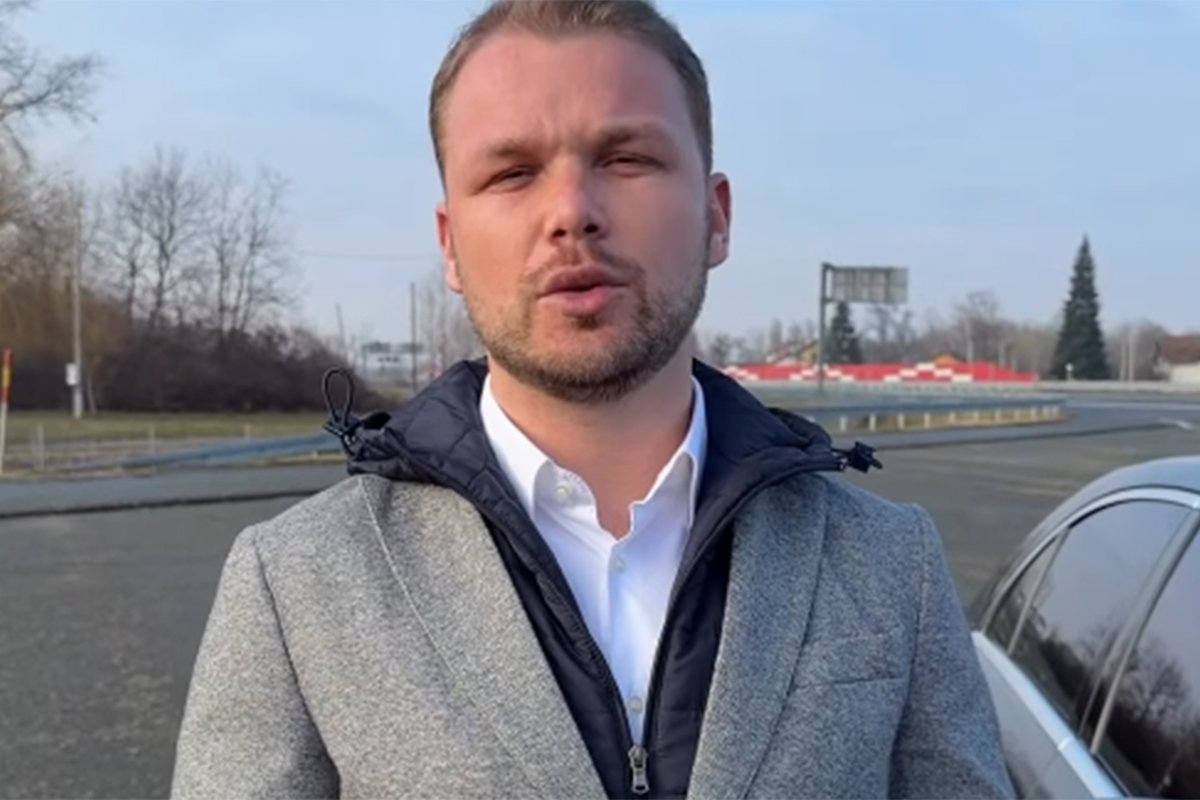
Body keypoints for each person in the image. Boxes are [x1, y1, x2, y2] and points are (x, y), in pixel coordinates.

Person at [172, 1, 1014, 798]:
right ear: (451, 246)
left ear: (717, 217)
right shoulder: (296, 582)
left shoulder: (889, 564)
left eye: (626, 159)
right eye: (512, 173)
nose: (571, 212)